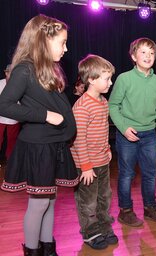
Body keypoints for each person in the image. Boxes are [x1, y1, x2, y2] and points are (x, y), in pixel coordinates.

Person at [0, 15, 79, 255]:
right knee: (39, 202)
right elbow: (4, 105)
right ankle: (32, 251)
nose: (66, 49)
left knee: (50, 199)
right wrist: (44, 115)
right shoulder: (25, 69)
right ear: (44, 40)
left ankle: (48, 248)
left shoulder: (48, 68)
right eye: (62, 43)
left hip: (53, 144)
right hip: (38, 146)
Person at [109, 37, 156, 226]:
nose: (148, 56)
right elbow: (113, 105)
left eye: (152, 53)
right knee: (127, 174)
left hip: (150, 135)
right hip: (128, 134)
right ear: (133, 56)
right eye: (143, 52)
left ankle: (150, 208)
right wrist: (123, 128)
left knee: (150, 173)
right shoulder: (124, 79)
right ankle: (125, 211)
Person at [71, 55, 117, 250]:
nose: (110, 82)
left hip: (102, 160)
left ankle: (104, 226)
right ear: (91, 79)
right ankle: (90, 233)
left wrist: (107, 149)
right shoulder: (81, 107)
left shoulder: (103, 102)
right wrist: (86, 167)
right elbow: (79, 139)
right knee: (88, 201)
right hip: (86, 164)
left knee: (104, 196)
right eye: (106, 78)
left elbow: (104, 129)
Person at [0, 64, 20, 164]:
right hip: (0, 118)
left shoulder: (19, 85)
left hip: (13, 118)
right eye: (9, 74)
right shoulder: (0, 84)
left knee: (12, 140)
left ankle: (10, 161)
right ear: (6, 73)